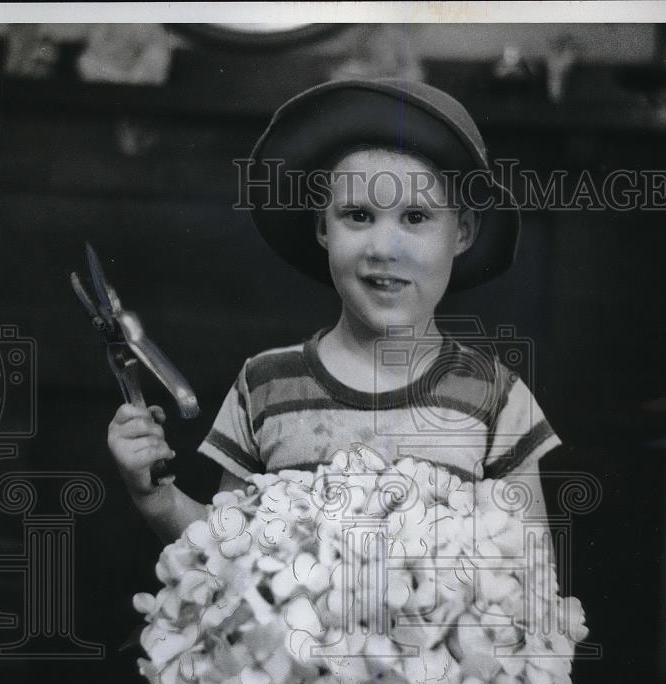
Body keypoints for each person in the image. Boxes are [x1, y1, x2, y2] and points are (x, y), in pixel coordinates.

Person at [107, 78, 560, 541]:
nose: (384, 247)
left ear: (461, 233)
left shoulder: (498, 399)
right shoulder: (264, 387)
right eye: (358, 216)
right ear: (323, 227)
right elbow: (224, 552)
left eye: (416, 217)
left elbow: (529, 573)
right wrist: (157, 498)